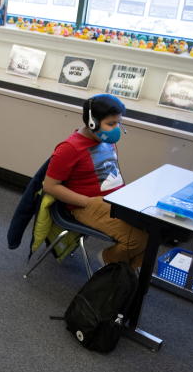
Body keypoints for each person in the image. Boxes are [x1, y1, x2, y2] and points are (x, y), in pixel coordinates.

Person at [42, 93, 147, 268]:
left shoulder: (105, 140)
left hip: (117, 200)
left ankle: (128, 275)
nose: (116, 129)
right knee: (137, 240)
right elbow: (50, 186)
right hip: (88, 205)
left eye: (118, 123)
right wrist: (88, 202)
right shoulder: (70, 148)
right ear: (92, 123)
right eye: (111, 124)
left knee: (153, 228)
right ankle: (108, 260)